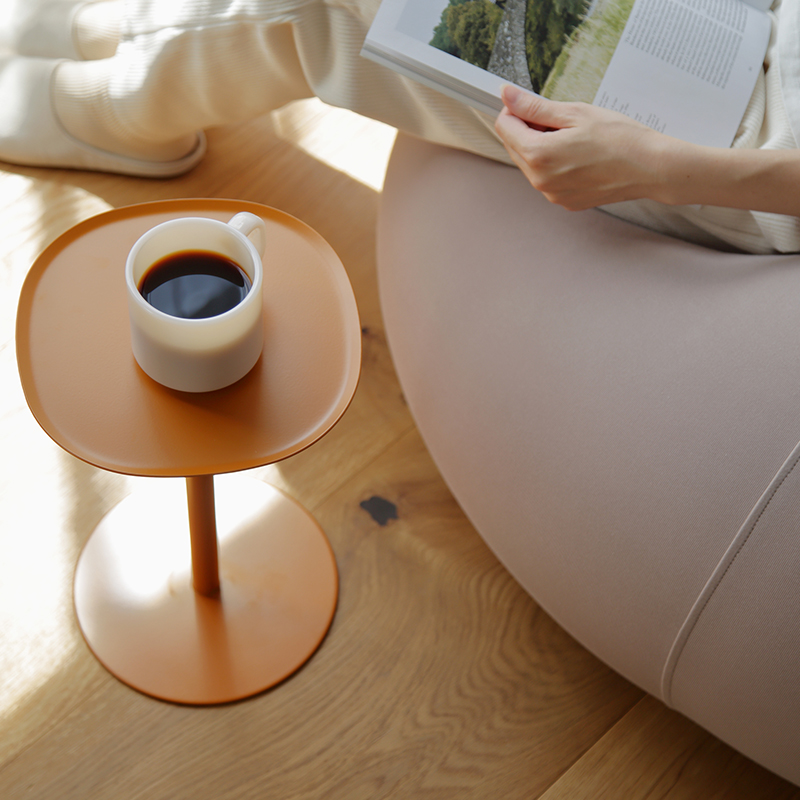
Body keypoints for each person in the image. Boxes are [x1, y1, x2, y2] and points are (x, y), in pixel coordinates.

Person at [0, 0, 798, 254]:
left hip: (744, 138)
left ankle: (125, 97)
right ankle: (129, 48)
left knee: (348, 12)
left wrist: (657, 167)